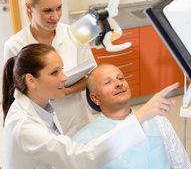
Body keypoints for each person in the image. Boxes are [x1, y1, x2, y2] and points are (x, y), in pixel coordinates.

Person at [2, 43, 180, 169]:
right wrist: (140, 117)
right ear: (31, 80)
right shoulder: (24, 126)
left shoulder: (43, 106)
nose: (65, 77)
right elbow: (81, 158)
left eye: (62, 69)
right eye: (55, 72)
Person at [3, 0, 96, 137]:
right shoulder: (15, 46)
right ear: (29, 7)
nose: (55, 16)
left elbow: (92, 76)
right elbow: (17, 94)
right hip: (38, 124)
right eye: (47, 11)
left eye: (58, 8)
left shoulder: (74, 34)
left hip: (76, 117)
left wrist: (64, 92)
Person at [72, 64, 191, 169]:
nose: (118, 83)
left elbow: (182, 165)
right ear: (95, 98)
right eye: (108, 82)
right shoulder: (83, 141)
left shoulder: (158, 121)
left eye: (120, 78)